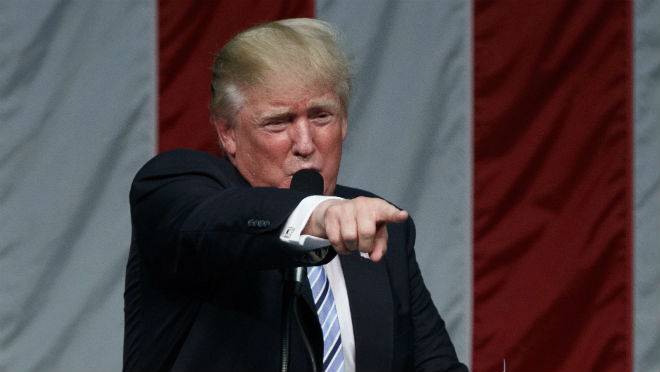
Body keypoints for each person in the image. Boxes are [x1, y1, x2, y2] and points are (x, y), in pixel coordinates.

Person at [123, 18, 467, 372]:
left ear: (345, 122)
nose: (305, 144)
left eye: (321, 116)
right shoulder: (172, 187)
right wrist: (315, 215)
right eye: (278, 122)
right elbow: (217, 220)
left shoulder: (377, 227)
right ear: (227, 133)